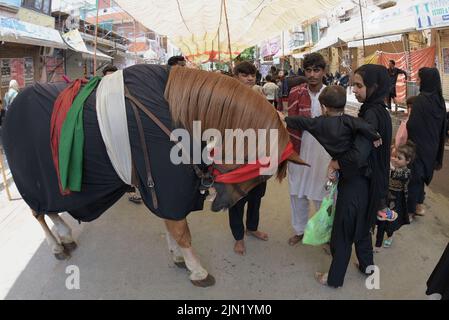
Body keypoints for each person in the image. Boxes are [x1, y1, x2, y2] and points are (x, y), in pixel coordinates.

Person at [316, 64, 392, 288]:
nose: (355, 91)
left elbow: (358, 155)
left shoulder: (371, 113)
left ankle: (334, 278)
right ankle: (367, 266)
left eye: (359, 85)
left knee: (343, 230)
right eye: (353, 85)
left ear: (374, 86)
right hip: (371, 182)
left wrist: (336, 162)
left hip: (358, 182)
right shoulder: (379, 110)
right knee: (362, 225)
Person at [286, 53, 332, 246]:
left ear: (324, 71)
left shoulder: (331, 93)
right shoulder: (296, 92)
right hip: (299, 146)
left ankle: (325, 234)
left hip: (324, 150)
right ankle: (300, 230)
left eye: (316, 70)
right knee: (297, 192)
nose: (312, 74)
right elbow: (290, 122)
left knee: (324, 195)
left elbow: (337, 124)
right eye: (308, 70)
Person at [228, 61, 268, 255]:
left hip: (259, 156)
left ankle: (252, 227)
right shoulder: (227, 98)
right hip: (236, 158)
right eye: (244, 75)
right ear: (236, 77)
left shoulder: (260, 96)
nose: (250, 78)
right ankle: (238, 237)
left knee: (256, 196)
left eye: (252, 74)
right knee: (236, 200)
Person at [280, 85, 381, 161]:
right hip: (349, 160)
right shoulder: (350, 120)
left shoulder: (319, 123)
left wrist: (285, 119)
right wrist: (375, 136)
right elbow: (364, 126)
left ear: (324, 108)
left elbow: (302, 121)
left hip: (337, 160)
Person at [407, 68, 446, 220]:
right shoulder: (440, 100)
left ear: (426, 81)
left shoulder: (420, 100)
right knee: (422, 176)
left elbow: (412, 126)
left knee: (415, 176)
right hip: (433, 146)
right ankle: (419, 205)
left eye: (419, 79)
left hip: (418, 146)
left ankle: (410, 211)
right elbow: (443, 126)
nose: (417, 81)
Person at [374, 141, 415, 252]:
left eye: (399, 158)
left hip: (396, 201)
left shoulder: (406, 172)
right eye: (395, 156)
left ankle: (390, 235)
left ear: (408, 161)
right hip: (385, 198)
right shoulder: (391, 168)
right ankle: (378, 244)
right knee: (381, 221)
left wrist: (390, 166)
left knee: (390, 223)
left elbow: (396, 174)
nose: (395, 159)